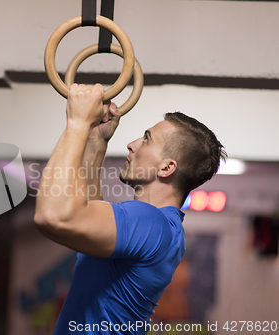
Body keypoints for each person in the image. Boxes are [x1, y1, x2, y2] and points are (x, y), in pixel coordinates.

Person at [34, 84, 226, 334]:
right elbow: (90, 215)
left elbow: (53, 216)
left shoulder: (150, 223)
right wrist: (96, 142)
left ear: (167, 168)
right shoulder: (164, 229)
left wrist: (77, 122)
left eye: (146, 140)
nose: (131, 144)